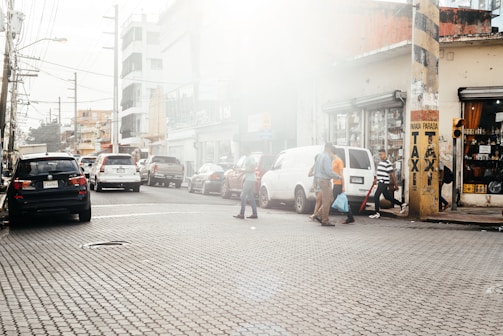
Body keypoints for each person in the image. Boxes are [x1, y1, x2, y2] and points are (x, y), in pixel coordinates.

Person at [369, 149, 407, 219]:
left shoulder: (387, 163)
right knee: (387, 197)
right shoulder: (381, 163)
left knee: (376, 196)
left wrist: (395, 184)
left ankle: (377, 213)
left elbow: (392, 174)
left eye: (381, 154)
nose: (380, 156)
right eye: (379, 155)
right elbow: (379, 173)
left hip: (383, 182)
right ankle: (402, 204)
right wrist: (375, 180)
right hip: (380, 181)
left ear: (385, 154)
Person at [313, 143, 341, 226]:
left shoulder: (320, 156)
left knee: (330, 198)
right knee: (326, 201)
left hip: (320, 180)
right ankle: (325, 220)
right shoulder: (326, 157)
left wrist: (314, 181)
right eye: (331, 148)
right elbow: (328, 171)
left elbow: (316, 169)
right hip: (325, 180)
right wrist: (337, 176)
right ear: (328, 148)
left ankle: (318, 214)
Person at [331, 146, 355, 224]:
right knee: (339, 201)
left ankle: (350, 216)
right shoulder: (333, 161)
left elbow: (342, 174)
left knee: (338, 200)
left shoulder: (339, 161)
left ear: (332, 152)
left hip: (339, 184)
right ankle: (350, 217)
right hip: (335, 183)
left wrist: (343, 186)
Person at [234, 150, 258, 219]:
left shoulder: (250, 158)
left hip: (249, 180)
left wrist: (242, 171)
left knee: (243, 195)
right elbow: (249, 169)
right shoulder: (249, 158)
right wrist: (240, 174)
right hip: (250, 179)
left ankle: (242, 214)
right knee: (251, 197)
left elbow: (252, 169)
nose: (242, 152)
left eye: (243, 150)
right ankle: (254, 213)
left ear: (246, 150)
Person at [308, 154, 322, 221]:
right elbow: (309, 174)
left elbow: (310, 174)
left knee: (319, 201)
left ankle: (316, 215)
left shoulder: (318, 166)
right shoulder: (318, 166)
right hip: (318, 185)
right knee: (319, 201)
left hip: (318, 185)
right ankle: (315, 215)